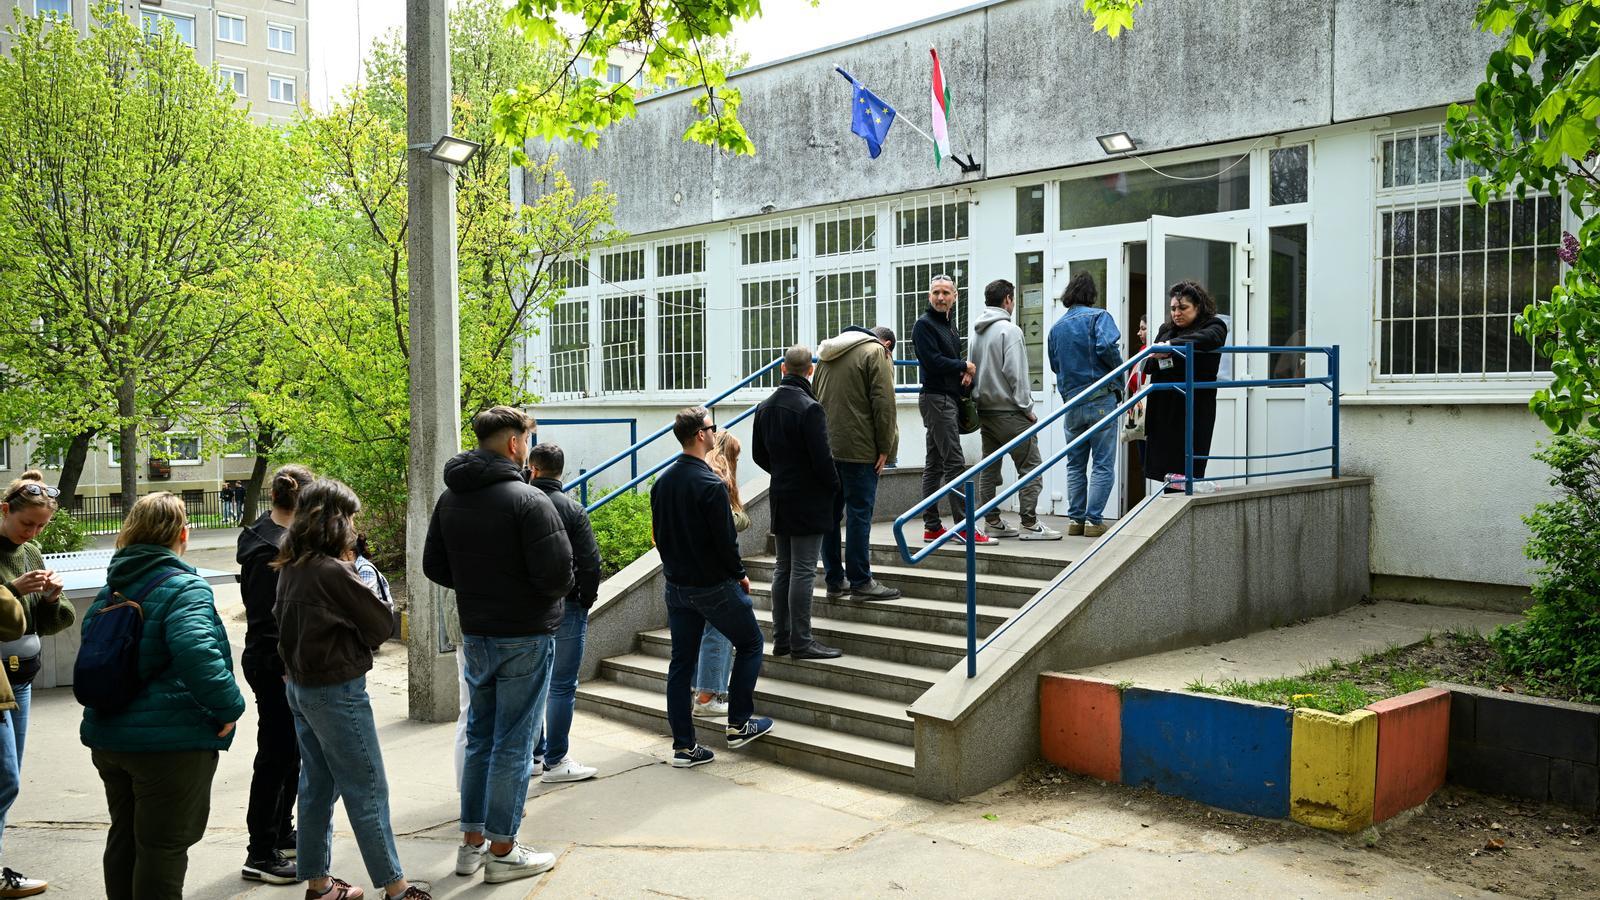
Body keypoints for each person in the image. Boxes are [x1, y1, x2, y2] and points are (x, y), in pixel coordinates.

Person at [423, 406, 571, 885]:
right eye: (527, 438)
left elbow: (435, 566)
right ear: (514, 443)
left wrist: (479, 586)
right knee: (513, 744)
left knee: (481, 737)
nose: (528, 446)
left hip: (479, 633)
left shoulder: (451, 499)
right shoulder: (528, 500)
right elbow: (556, 576)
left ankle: (472, 845)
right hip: (524, 635)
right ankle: (504, 850)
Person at [80, 493, 244, 900]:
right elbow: (197, 652)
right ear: (182, 534)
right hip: (168, 744)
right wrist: (229, 708)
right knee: (162, 848)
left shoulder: (111, 589)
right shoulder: (184, 587)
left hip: (110, 737)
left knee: (125, 838)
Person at [275, 480, 428, 900]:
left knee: (317, 787)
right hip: (335, 691)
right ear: (336, 520)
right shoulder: (331, 571)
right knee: (368, 789)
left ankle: (319, 885)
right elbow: (382, 625)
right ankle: (397, 888)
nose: (356, 526)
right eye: (352, 517)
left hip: (302, 688)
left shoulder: (293, 564)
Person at [651, 407, 774, 768]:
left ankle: (684, 747)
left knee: (681, 663)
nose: (713, 432)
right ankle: (738, 723)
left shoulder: (663, 482)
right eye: (711, 427)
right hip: (712, 585)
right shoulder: (709, 484)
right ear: (701, 435)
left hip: (677, 585)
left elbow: (660, 537)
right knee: (751, 642)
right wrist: (739, 575)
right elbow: (725, 542)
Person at [236, 464, 315, 885]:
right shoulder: (270, 547)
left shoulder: (266, 534)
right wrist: (285, 668)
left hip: (275, 661)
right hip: (274, 664)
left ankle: (280, 832)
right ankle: (260, 851)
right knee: (276, 754)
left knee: (290, 753)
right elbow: (269, 618)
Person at [0, 472, 73, 898]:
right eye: (28, 523)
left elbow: (47, 623)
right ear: (5, 509)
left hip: (22, 677)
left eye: (41, 526)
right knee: (4, 778)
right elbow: (5, 609)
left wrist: (49, 597)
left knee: (10, 777)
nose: (34, 533)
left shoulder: (30, 551)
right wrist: (11, 590)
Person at [754, 345, 844, 657]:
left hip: (781, 494)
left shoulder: (764, 407)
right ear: (811, 370)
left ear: (782, 369)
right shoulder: (811, 408)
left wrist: (782, 471)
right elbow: (823, 459)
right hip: (809, 498)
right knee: (804, 569)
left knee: (784, 567)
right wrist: (834, 488)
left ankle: (782, 639)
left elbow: (758, 454)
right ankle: (802, 641)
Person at [524, 443, 602, 785]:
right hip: (568, 604)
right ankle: (557, 759)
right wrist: (584, 599)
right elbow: (590, 560)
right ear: (561, 471)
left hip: (528, 606)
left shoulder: (520, 504)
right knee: (562, 685)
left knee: (533, 683)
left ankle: (536, 755)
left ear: (533, 469)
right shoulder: (572, 509)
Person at [813, 326, 902, 601]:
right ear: (883, 342)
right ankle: (861, 581)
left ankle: (834, 580)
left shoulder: (826, 354)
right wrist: (886, 447)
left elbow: (815, 398)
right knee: (859, 515)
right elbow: (884, 404)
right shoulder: (876, 352)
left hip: (828, 449)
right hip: (861, 451)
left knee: (830, 517)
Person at [971, 279, 1061, 542]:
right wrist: (1027, 408)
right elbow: (1017, 374)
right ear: (1008, 299)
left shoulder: (977, 331)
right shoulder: (1009, 331)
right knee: (1030, 466)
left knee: (989, 467)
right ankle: (1030, 524)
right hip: (1010, 411)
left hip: (985, 411)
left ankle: (992, 521)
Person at [913, 274, 993, 545]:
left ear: (955, 297)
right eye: (936, 292)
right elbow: (933, 362)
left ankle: (932, 527)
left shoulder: (949, 326)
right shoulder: (923, 325)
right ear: (929, 296)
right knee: (955, 464)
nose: (940, 297)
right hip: (936, 400)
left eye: (946, 292)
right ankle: (963, 527)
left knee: (934, 465)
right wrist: (963, 366)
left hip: (946, 399)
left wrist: (964, 376)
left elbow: (947, 360)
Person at [1047, 270, 1124, 537]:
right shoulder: (1099, 317)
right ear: (1092, 294)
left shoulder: (1056, 329)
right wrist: (1119, 378)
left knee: (1075, 464)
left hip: (1072, 403)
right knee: (1102, 463)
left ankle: (1075, 520)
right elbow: (1108, 348)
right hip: (1101, 397)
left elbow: (1055, 366)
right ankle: (1094, 521)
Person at [690, 431, 755, 716]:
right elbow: (729, 524)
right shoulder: (718, 477)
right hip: (717, 572)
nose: (737, 461)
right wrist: (739, 573)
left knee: (706, 631)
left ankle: (702, 690)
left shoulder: (696, 472)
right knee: (721, 631)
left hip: (693, 568)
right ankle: (708, 696)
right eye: (737, 456)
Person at [1145, 280, 1230, 492]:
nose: (1176, 313)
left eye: (1183, 308)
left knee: (1188, 466)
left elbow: (1210, 339)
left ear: (1198, 307)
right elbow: (1149, 364)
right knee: (1167, 469)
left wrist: (1171, 349)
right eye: (1173, 308)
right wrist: (1169, 355)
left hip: (1193, 405)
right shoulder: (1166, 329)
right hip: (1165, 406)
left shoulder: (1214, 325)